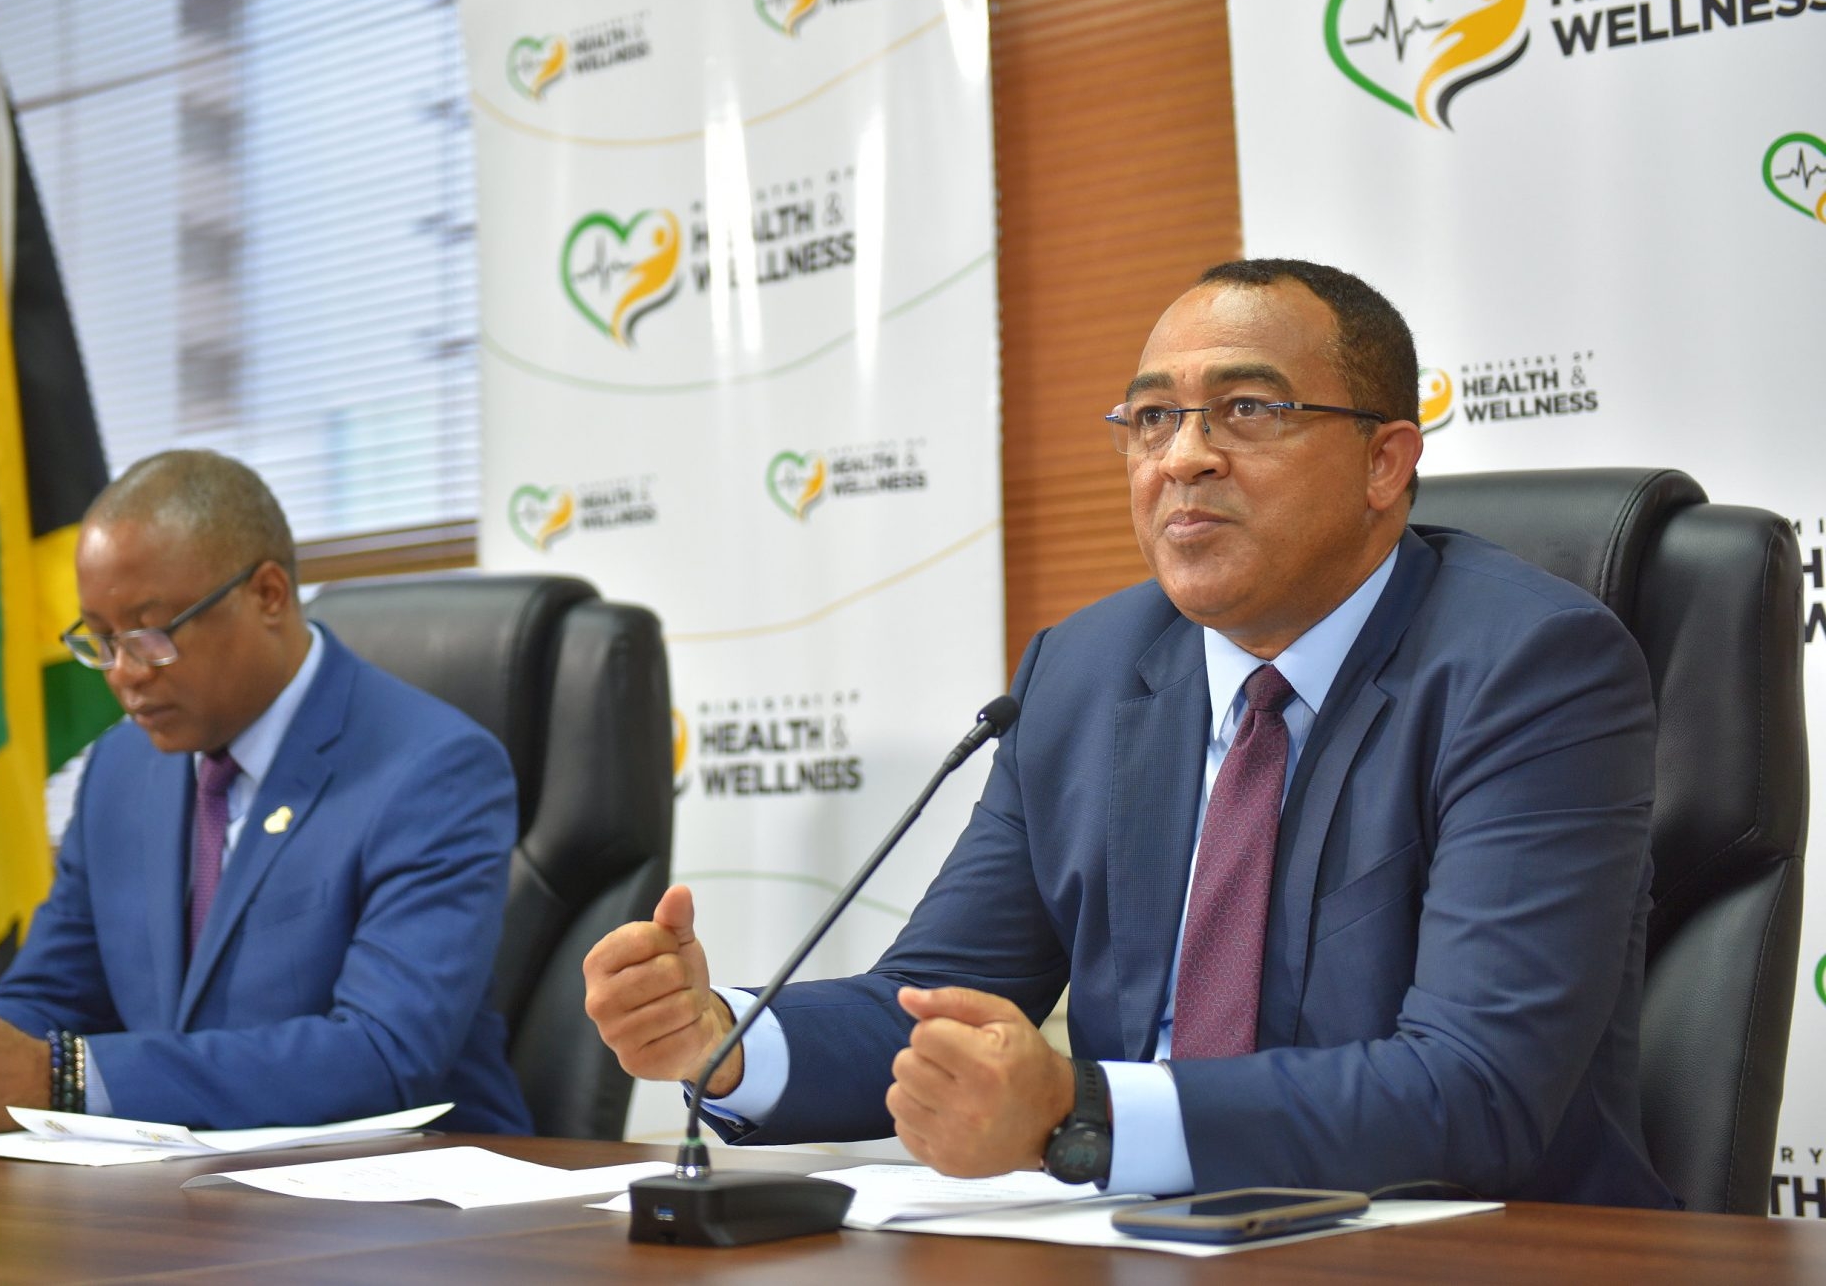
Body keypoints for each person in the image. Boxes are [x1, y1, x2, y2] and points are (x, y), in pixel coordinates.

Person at [583, 259, 1675, 1207]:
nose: (1181, 458)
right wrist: (721, 1042)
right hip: (1139, 1239)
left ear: (1385, 463)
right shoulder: (1086, 673)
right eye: (1150, 418)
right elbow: (930, 1005)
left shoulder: (1528, 670)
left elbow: (1472, 1089)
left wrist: (1075, 1109)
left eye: (1245, 409)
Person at [0, 450, 531, 1136]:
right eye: (100, 639)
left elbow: (385, 1054)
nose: (123, 673)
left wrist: (60, 1076)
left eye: (150, 633)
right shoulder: (121, 765)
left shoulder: (433, 769)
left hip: (408, 1207)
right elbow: (55, 989)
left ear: (268, 594)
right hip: (173, 1197)